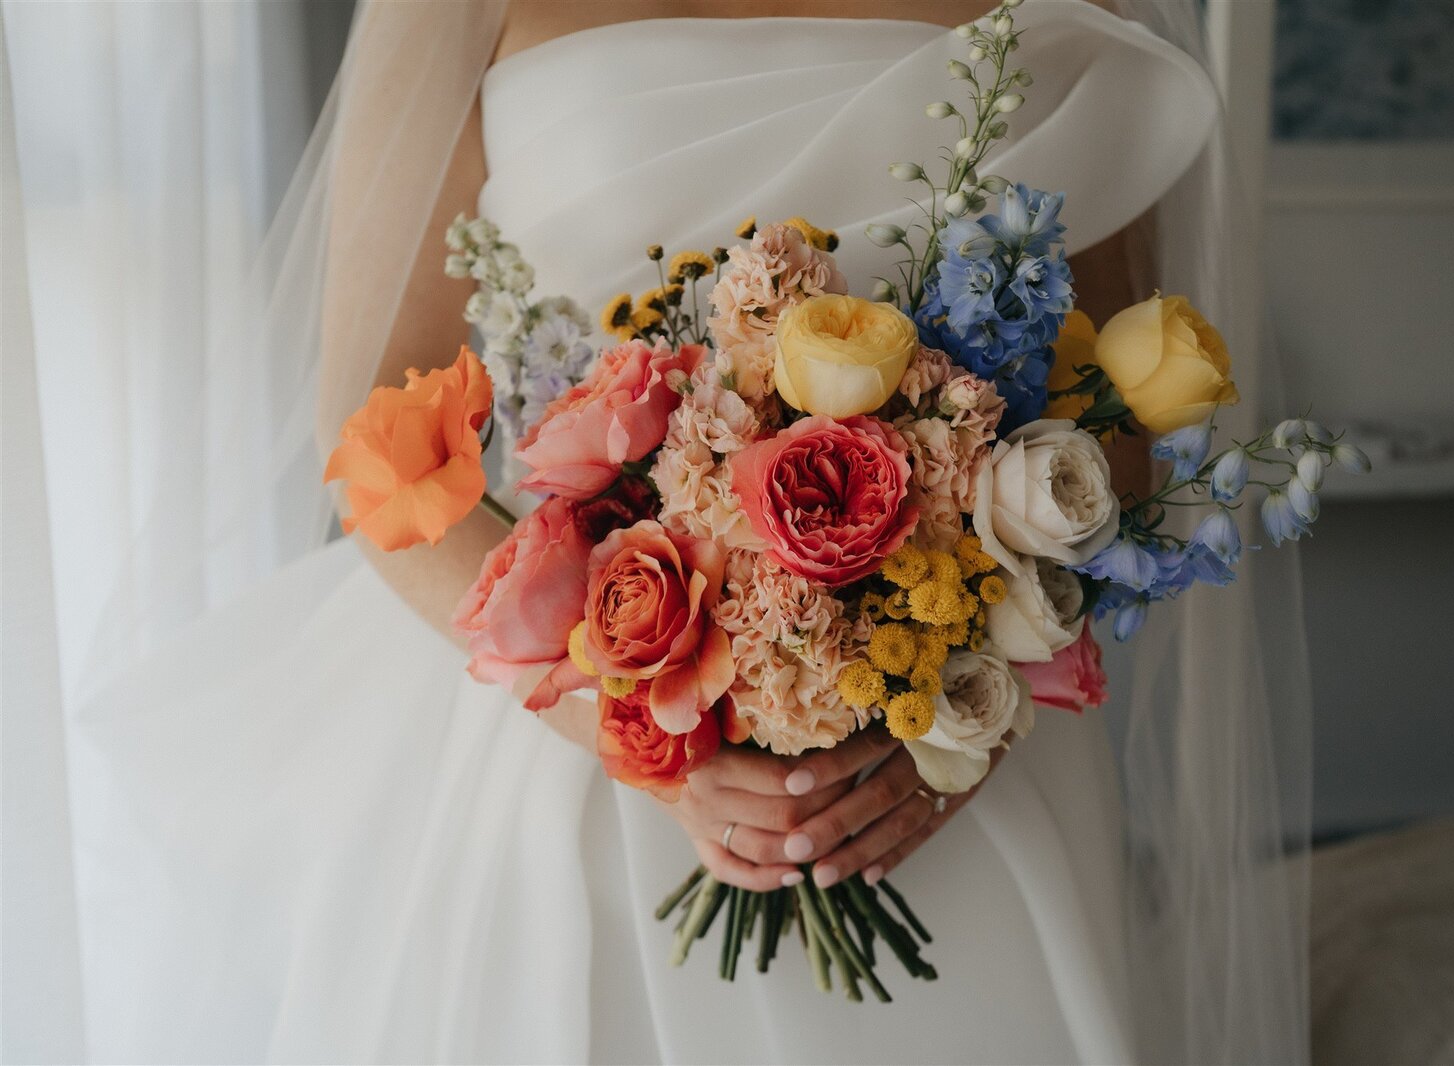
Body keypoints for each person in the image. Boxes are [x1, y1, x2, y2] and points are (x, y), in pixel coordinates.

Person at [57, 2, 1315, 1061]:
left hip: (933, 783)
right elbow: (375, 434)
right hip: (575, 770)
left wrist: (962, 707)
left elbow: (1116, 422)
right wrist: (620, 721)